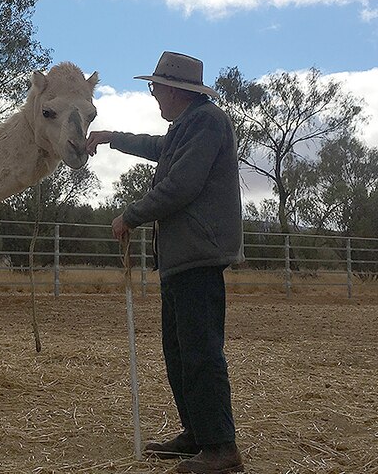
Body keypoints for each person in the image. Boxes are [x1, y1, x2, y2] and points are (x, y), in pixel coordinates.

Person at [86, 51, 245, 474]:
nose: (154, 94)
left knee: (201, 352)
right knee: (179, 351)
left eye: (156, 87)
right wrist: (110, 137)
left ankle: (221, 449)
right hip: (180, 258)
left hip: (198, 255)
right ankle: (197, 435)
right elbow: (157, 148)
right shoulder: (185, 127)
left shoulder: (208, 122)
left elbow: (182, 184)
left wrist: (131, 215)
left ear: (174, 90)